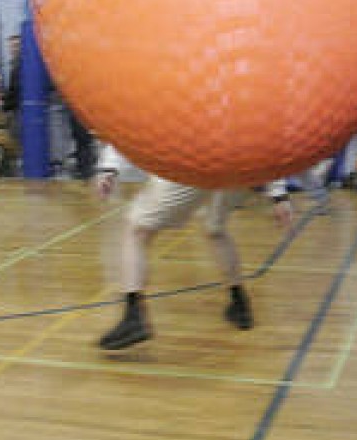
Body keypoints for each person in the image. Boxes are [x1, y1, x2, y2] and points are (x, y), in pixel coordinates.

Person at [94, 145, 293, 350]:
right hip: (237, 166)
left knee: (136, 231)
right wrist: (278, 193)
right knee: (215, 229)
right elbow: (262, 133)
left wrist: (108, 168)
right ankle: (240, 304)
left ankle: (133, 316)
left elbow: (132, 122)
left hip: (192, 159)